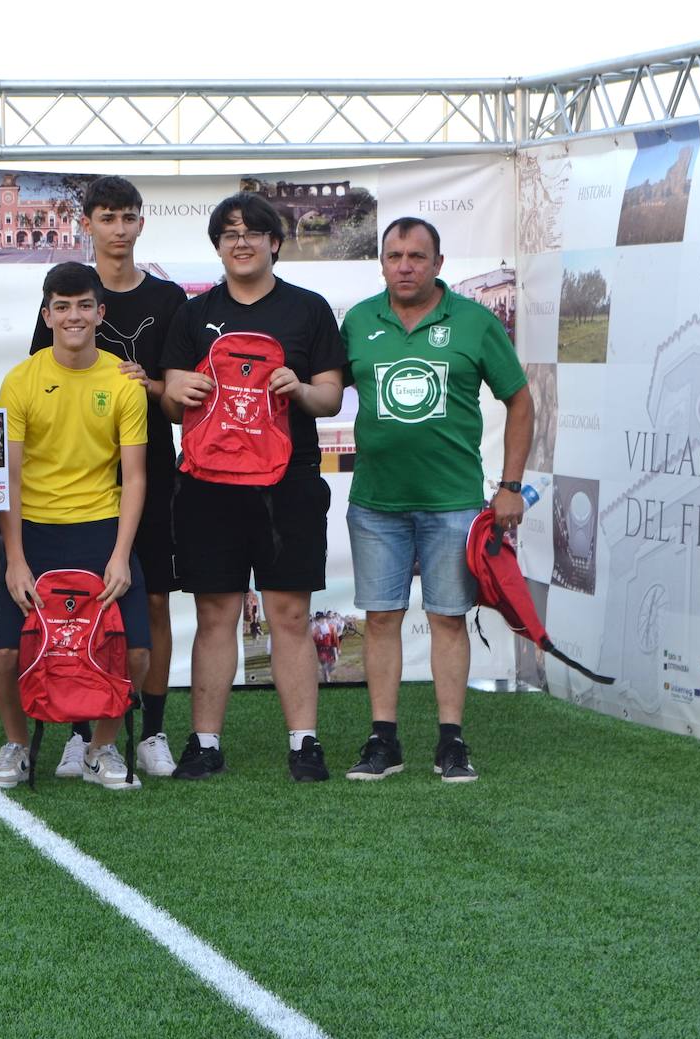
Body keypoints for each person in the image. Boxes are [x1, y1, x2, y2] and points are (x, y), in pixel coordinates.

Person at [341, 217, 533, 783]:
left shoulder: (474, 321)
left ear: (438, 264)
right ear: (381, 263)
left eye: (417, 256)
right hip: (375, 503)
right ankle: (384, 741)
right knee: (381, 619)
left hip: (453, 503)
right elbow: (324, 390)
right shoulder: (358, 321)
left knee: (448, 619)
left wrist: (511, 486)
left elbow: (520, 401)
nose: (405, 266)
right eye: (394, 256)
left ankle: (451, 741)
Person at [161, 192, 345, 782]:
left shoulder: (308, 309)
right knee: (215, 613)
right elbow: (171, 403)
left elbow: (330, 397)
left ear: (274, 242)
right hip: (208, 485)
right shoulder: (193, 313)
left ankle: (304, 743)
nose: (240, 242)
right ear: (218, 247)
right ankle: (205, 743)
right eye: (229, 234)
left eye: (252, 232)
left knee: (289, 613)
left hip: (288, 482)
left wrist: (300, 389)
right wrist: (177, 391)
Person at [28, 175, 186, 779]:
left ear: (141, 223)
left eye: (128, 217)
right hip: (79, 484)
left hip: (151, 471)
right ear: (87, 224)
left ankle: (153, 730)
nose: (118, 229)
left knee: (152, 601)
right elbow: (42, 379)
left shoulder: (169, 298)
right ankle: (80, 730)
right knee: (78, 605)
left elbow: (179, 396)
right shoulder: (67, 291)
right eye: (107, 217)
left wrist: (148, 384)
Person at [0, 262, 151, 789]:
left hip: (101, 528)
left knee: (136, 651)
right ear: (46, 315)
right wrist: (14, 559)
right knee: (7, 653)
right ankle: (16, 746)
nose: (73, 316)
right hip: (34, 530)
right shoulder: (21, 380)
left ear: (100, 313)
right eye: (62, 307)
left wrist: (120, 555)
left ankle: (101, 748)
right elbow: (7, 477)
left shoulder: (123, 380)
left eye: (83, 306)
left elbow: (135, 476)